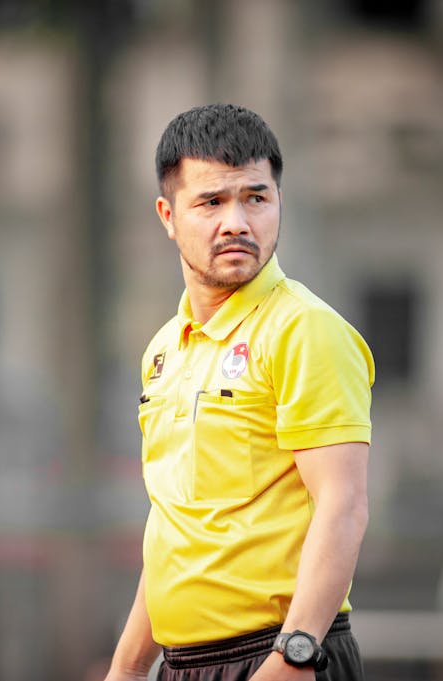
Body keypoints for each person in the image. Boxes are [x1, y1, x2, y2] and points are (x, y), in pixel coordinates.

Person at [105, 104, 374, 681]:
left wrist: (295, 655)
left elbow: (343, 504)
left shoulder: (305, 329)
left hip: (281, 657)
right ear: (168, 215)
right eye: (211, 202)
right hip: (184, 665)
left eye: (256, 197)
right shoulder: (163, 351)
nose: (237, 221)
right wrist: (127, 670)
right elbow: (176, 525)